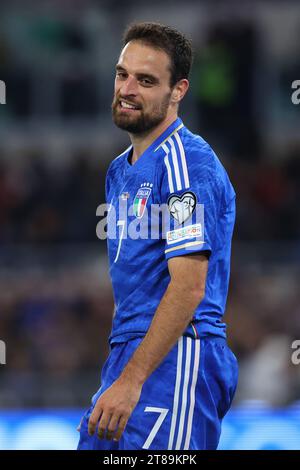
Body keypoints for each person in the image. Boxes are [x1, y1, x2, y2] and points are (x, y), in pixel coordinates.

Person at [77, 22, 238, 451]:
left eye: (146, 80)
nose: (127, 88)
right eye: (121, 74)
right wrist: (121, 369)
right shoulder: (118, 171)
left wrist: (132, 381)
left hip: (179, 357)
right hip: (131, 357)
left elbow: (188, 287)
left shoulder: (187, 162)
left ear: (178, 91)